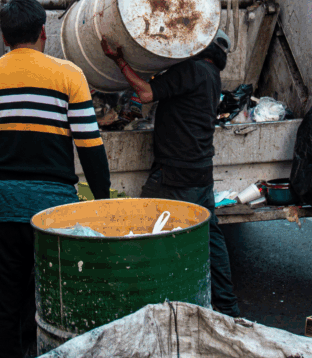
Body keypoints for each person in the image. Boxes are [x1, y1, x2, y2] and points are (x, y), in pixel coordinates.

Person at [0, 0, 111, 358]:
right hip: (54, 210)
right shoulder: (69, 76)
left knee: (3, 303)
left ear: (4, 36)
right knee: (57, 297)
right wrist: (103, 201)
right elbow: (90, 146)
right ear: (43, 32)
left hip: (2, 204)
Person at [101, 29, 240, 317]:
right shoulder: (211, 75)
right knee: (210, 236)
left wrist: (120, 62)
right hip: (200, 169)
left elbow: (146, 93)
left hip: (174, 173)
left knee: (141, 226)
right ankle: (227, 306)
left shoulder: (192, 69)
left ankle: (136, 303)